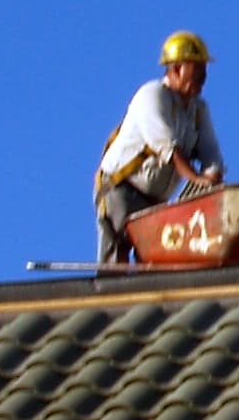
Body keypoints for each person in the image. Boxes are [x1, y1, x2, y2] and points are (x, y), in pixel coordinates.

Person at [94, 32, 225, 264]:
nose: (203, 77)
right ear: (176, 69)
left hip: (156, 199)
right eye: (197, 69)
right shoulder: (152, 95)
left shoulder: (198, 110)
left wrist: (212, 177)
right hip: (121, 187)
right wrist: (197, 179)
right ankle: (111, 283)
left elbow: (211, 153)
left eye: (203, 70)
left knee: (156, 256)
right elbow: (167, 148)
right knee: (118, 253)